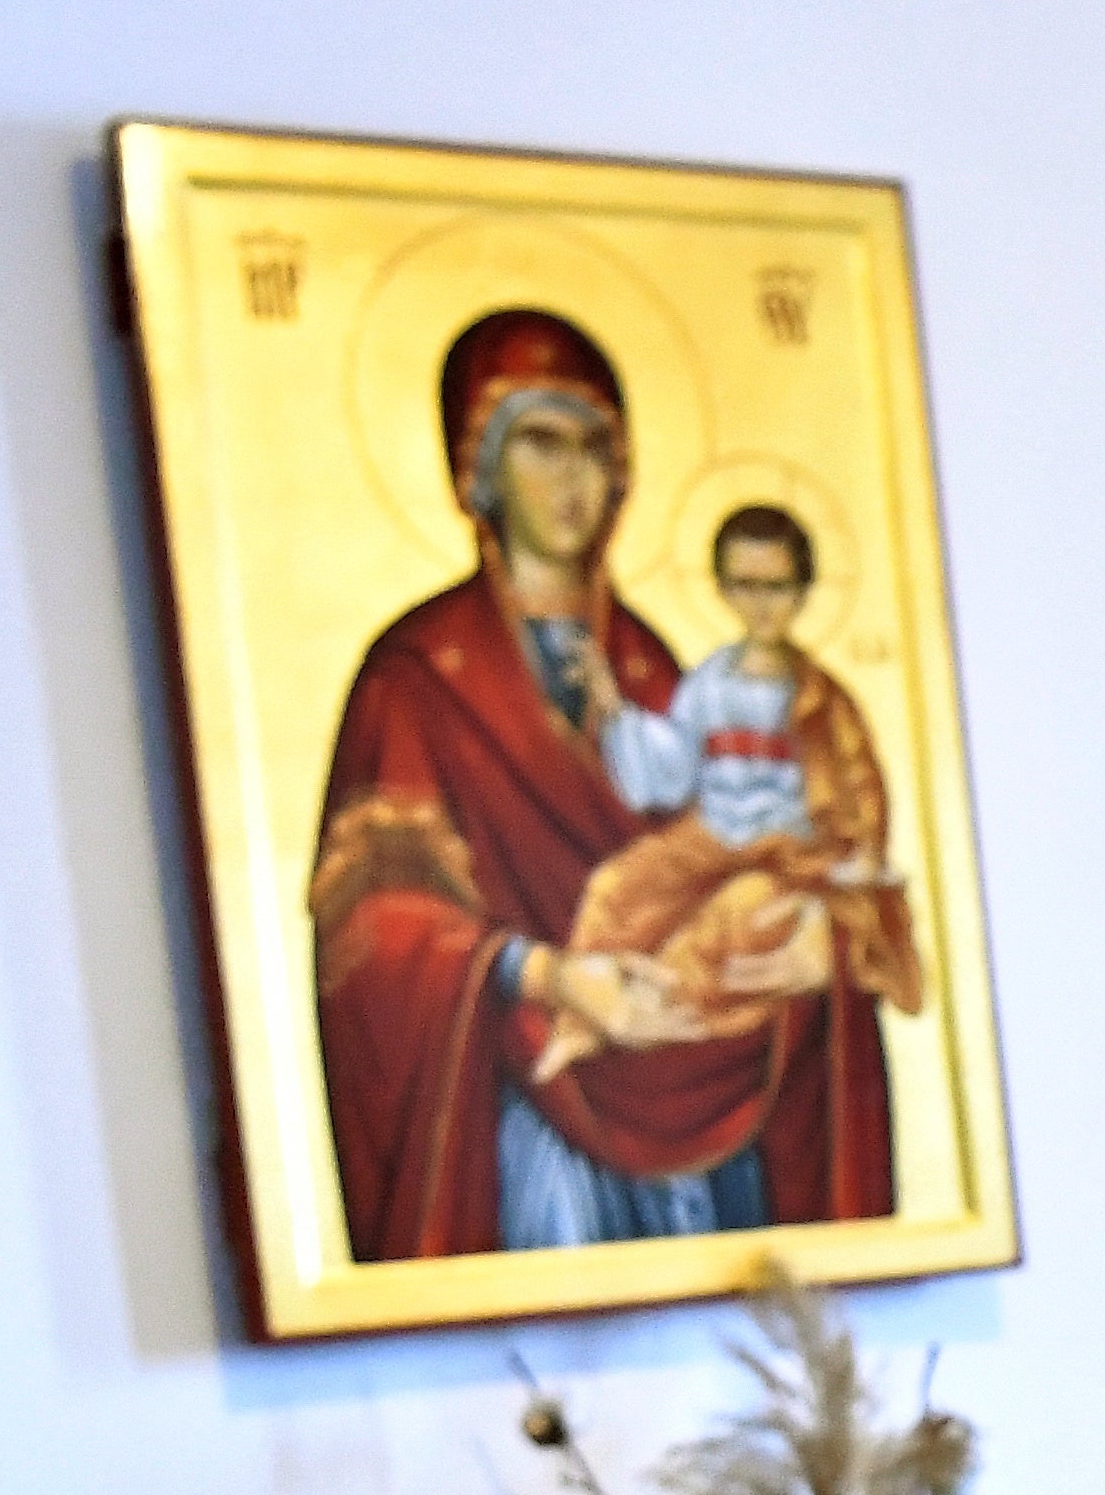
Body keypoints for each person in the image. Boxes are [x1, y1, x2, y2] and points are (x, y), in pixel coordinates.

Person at [303, 312, 901, 1256]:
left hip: (704, 1098)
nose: (574, 476)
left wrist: (822, 941)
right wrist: (543, 973)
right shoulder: (415, 678)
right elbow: (366, 924)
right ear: (480, 465)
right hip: (532, 1106)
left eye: (594, 448)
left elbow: (785, 847)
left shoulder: (668, 674)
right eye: (541, 442)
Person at [582, 501, 932, 1040]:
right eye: (746, 585)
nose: (762, 604)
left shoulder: (821, 699)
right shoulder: (710, 683)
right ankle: (580, 1012)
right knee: (614, 889)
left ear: (803, 589)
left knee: (728, 921)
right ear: (723, 588)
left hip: (785, 851)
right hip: (712, 837)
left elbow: (860, 799)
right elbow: (672, 771)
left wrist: (849, 883)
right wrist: (612, 711)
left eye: (778, 586)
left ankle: (661, 1020)